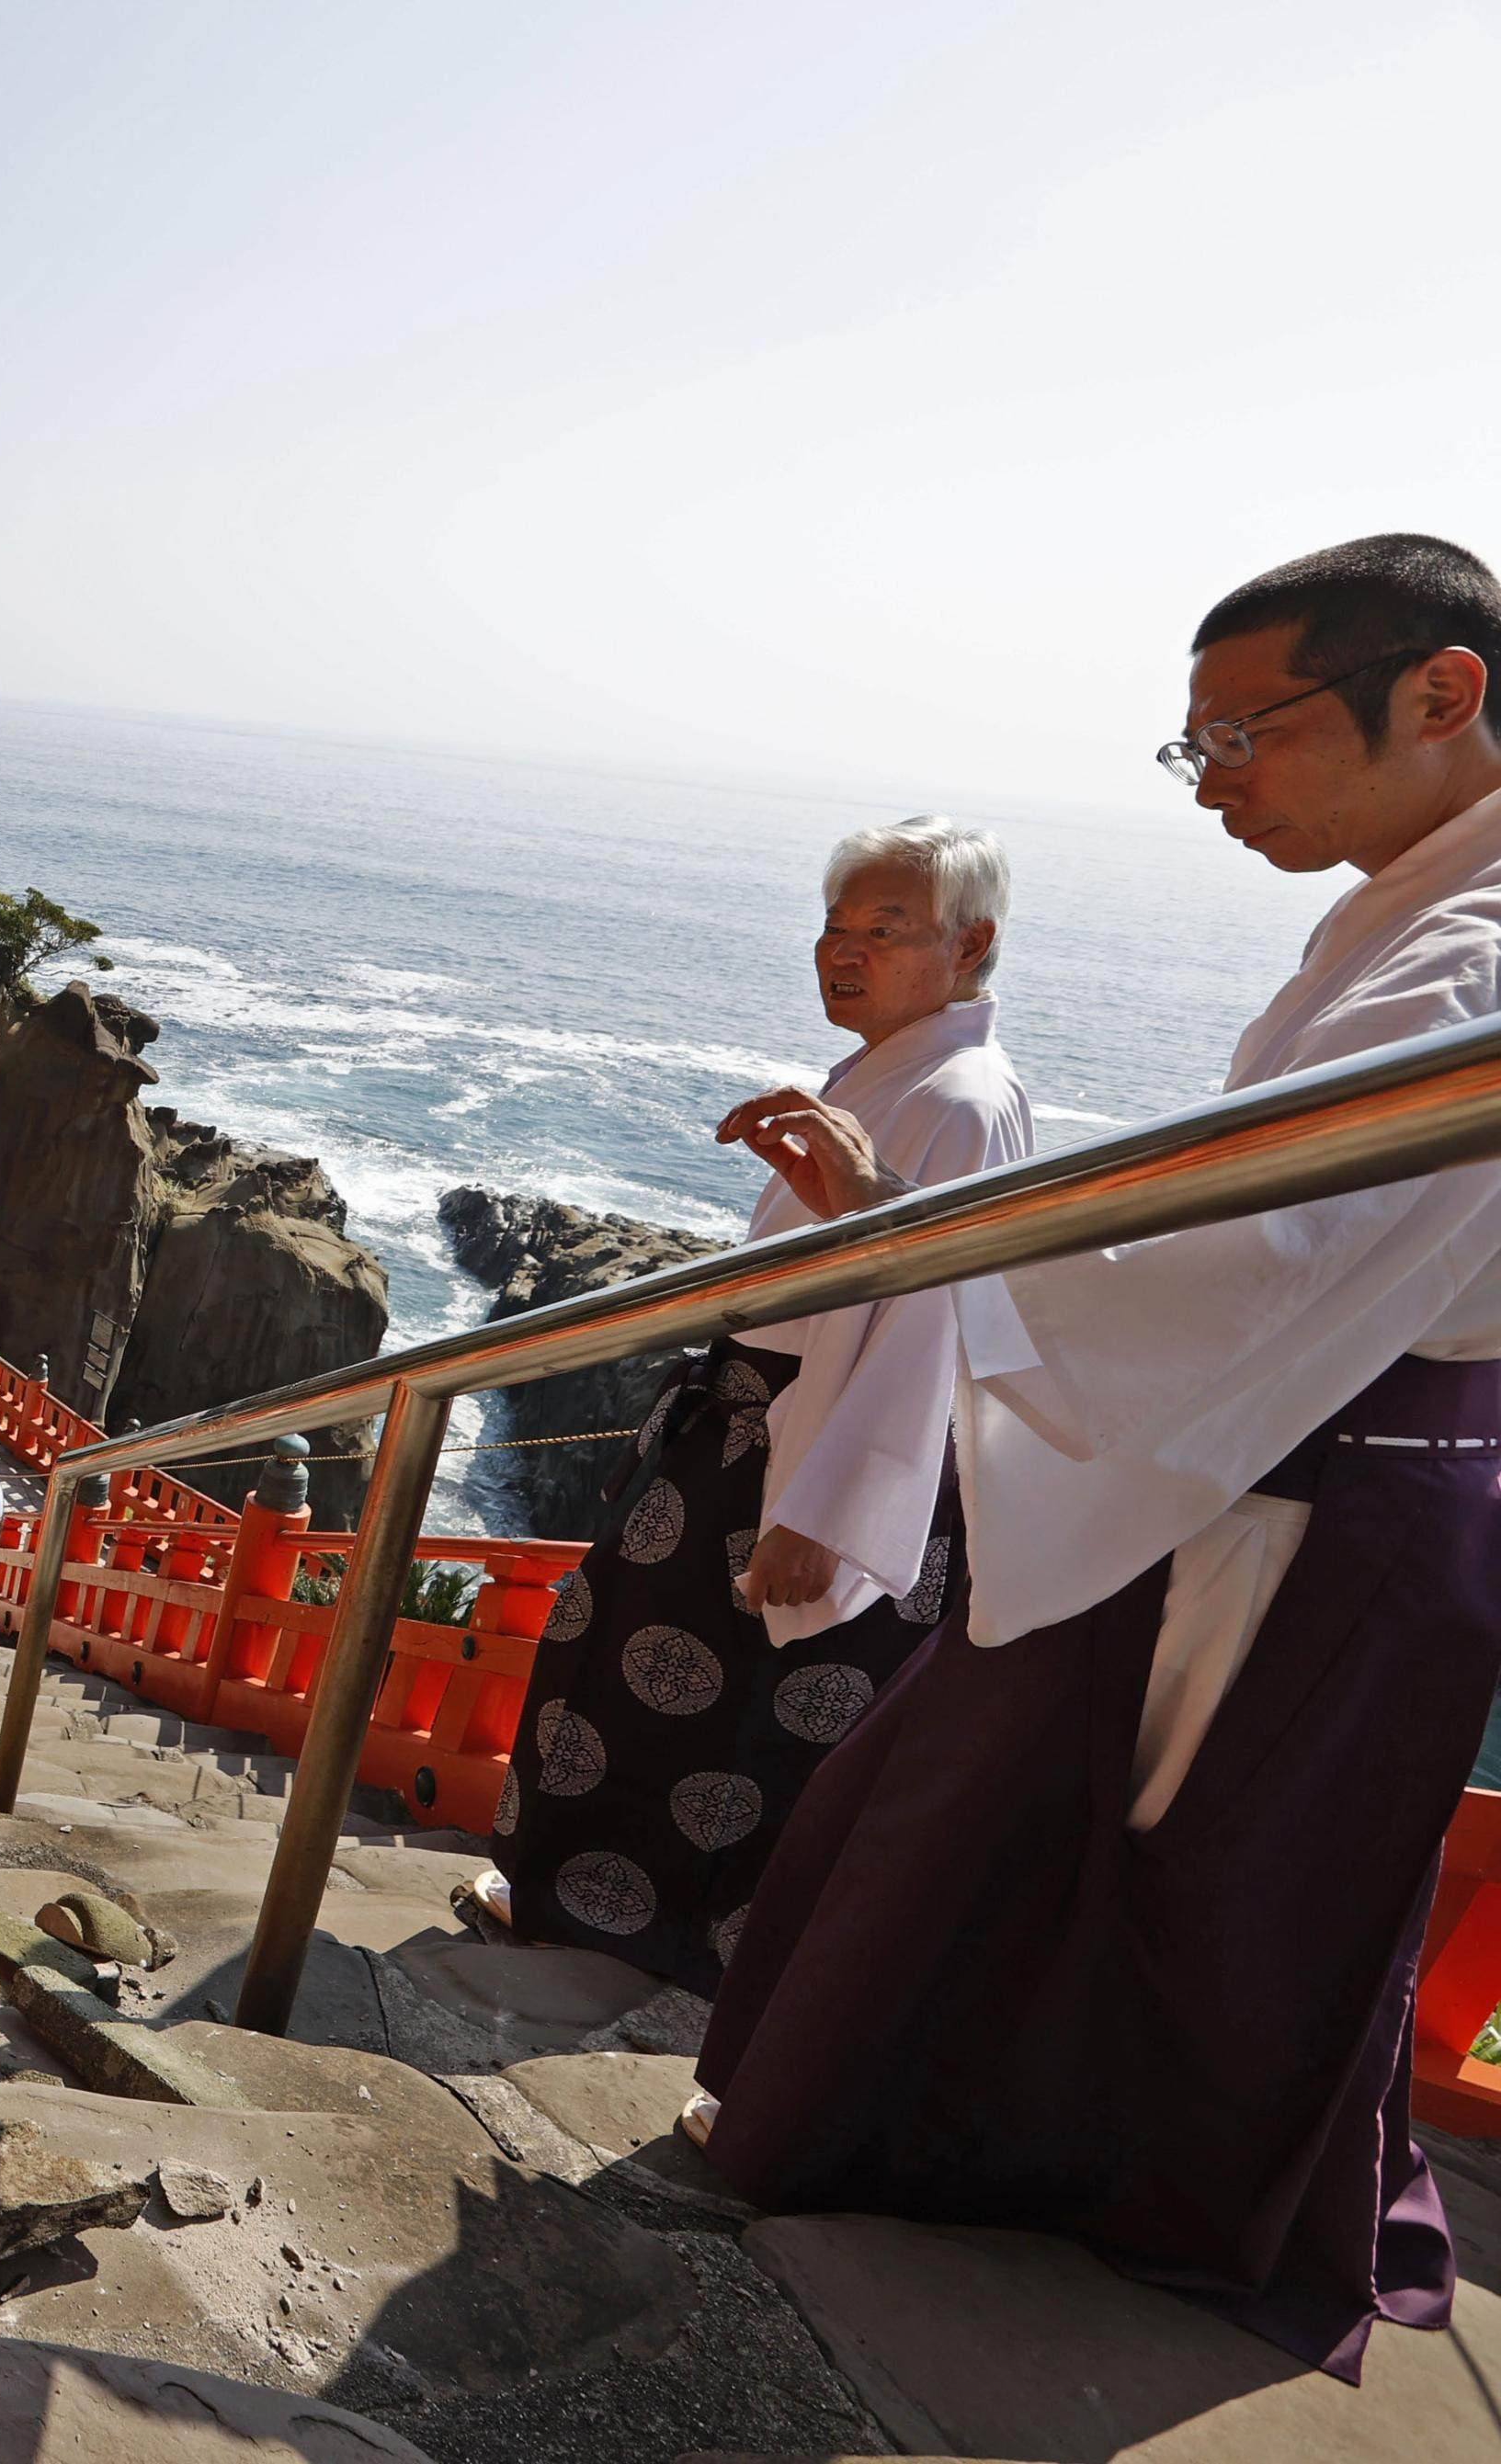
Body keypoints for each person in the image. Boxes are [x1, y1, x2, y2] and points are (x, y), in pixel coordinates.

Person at [696, 533, 1501, 2383]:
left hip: (1326, 1480)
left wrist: (915, 1223)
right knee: (1104, 1842)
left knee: (1192, 1871)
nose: (1212, 777)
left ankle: (1085, 2205)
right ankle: (1020, 2173)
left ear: (1439, 694)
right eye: (1192, 742)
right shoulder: (1413, 912)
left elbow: (1260, 1253)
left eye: (1245, 732)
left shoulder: (1468, 954)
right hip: (1307, 1458)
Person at [467, 819, 1031, 1987]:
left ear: (971, 944)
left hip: (809, 1442)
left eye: (884, 929)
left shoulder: (962, 1098)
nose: (842, 951)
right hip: (750, 1421)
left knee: (734, 1713)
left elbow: (930, 1320)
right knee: (623, 1659)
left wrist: (828, 1507)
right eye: (833, 926)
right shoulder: (901, 1071)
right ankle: (579, 1909)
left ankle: (661, 1945)